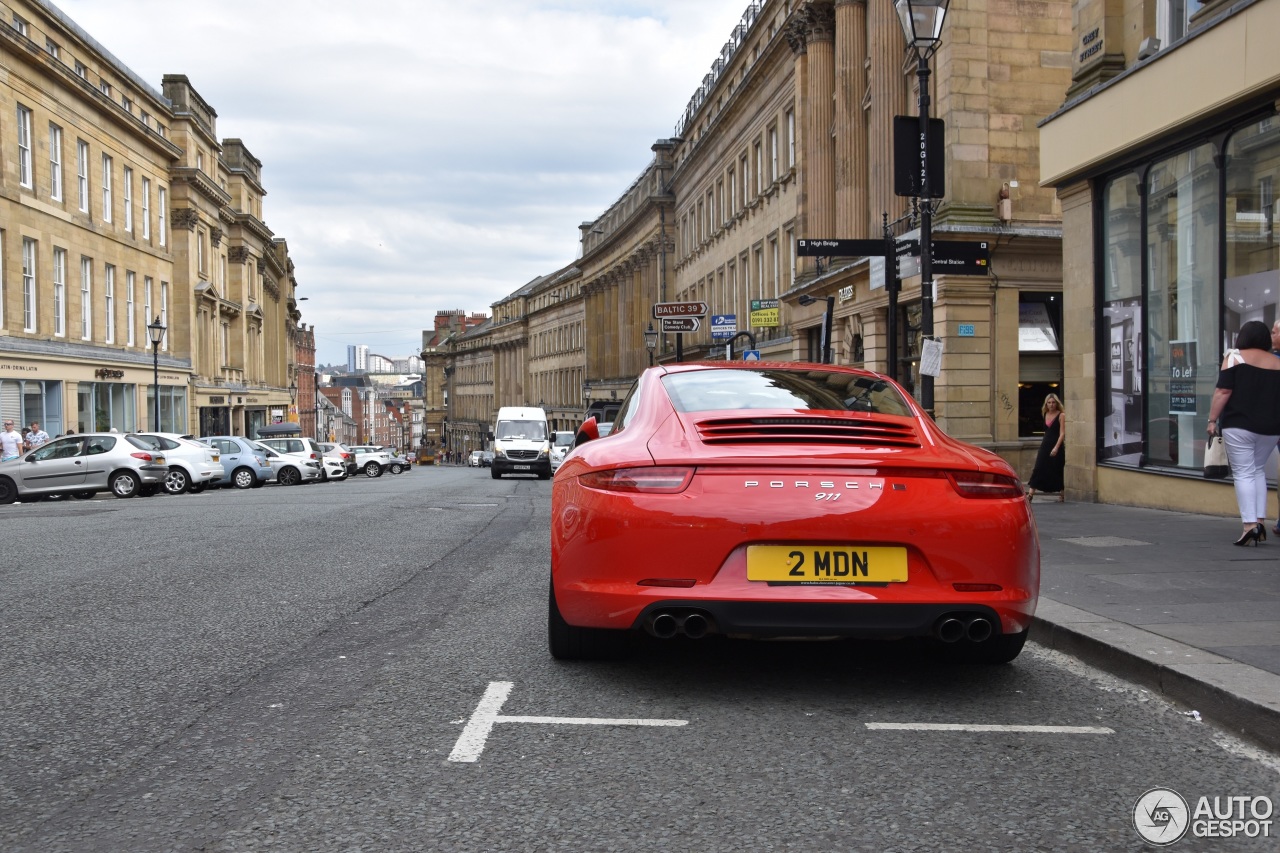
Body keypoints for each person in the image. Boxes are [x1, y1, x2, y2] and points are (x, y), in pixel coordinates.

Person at [1206, 320, 1280, 546]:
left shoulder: (1234, 358)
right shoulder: (1277, 363)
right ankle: (1259, 521)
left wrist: (1212, 420)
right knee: (1257, 471)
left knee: (1243, 473)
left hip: (1239, 425)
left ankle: (1249, 525)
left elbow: (1223, 391)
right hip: (1271, 428)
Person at [1026, 394, 1066, 502]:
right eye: (1049, 402)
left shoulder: (1061, 415)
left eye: (1053, 402)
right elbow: (1046, 432)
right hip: (1045, 445)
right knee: (1038, 467)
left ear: (1056, 403)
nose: (1051, 405)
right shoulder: (1045, 414)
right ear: (1046, 404)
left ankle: (1062, 494)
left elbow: (1062, 433)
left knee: (1058, 468)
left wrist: (1056, 447)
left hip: (1056, 445)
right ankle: (1030, 494)